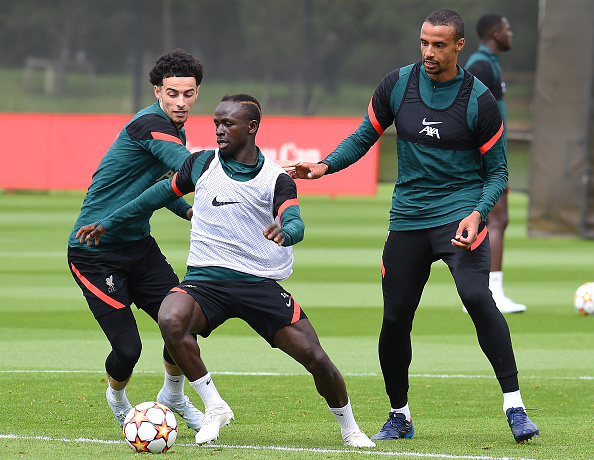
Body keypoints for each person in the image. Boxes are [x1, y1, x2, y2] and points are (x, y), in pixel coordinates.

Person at [289, 9, 539, 444]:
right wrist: (325, 166)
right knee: (395, 318)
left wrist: (477, 212)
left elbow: (498, 173)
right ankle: (399, 415)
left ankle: (515, 406)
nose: (429, 52)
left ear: (459, 45)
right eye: (424, 42)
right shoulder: (398, 84)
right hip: (408, 218)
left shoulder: (478, 98)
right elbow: (364, 135)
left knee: (477, 296)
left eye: (439, 44)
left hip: (460, 213)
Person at [76, 94, 376, 448]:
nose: (219, 129)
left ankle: (350, 428)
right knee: (171, 318)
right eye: (216, 122)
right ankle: (214, 406)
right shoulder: (201, 164)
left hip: (257, 283)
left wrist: (286, 232)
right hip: (205, 282)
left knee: (316, 358)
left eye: (228, 124)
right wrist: (107, 223)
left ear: (251, 128)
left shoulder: (276, 178)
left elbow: (295, 221)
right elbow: (151, 198)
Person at [67, 48, 205, 431]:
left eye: (188, 94)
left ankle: (173, 396)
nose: (181, 102)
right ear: (158, 91)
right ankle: (117, 398)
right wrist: (250, 164)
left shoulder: (173, 128)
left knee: (182, 323)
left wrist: (189, 211)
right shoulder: (150, 125)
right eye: (173, 93)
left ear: (196, 93)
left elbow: (162, 185)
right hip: (94, 252)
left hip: (139, 247)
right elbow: (187, 168)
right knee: (128, 349)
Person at [464, 14, 526, 314]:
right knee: (497, 219)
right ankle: (490, 293)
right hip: (486, 159)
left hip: (493, 156)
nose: (510, 33)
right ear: (494, 33)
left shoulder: (490, 62)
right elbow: (471, 113)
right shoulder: (479, 64)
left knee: (495, 220)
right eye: (507, 28)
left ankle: (484, 292)